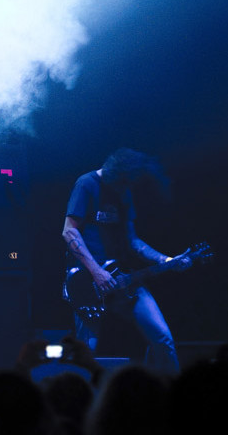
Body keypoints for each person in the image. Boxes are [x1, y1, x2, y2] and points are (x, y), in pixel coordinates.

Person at [61, 148, 189, 375]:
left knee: (162, 338)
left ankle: (169, 395)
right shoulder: (86, 184)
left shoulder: (124, 192)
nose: (125, 188)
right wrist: (97, 273)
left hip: (124, 279)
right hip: (88, 282)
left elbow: (133, 241)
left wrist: (167, 259)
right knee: (86, 351)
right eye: (123, 183)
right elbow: (69, 232)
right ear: (114, 174)